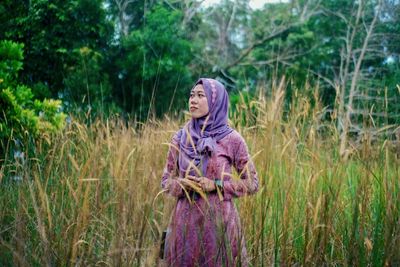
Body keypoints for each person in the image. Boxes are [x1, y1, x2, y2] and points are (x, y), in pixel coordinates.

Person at [161, 78, 259, 267]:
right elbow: (165, 181)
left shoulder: (232, 139)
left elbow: (252, 184)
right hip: (183, 226)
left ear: (216, 101)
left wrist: (216, 185)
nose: (193, 100)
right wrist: (182, 185)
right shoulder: (181, 137)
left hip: (219, 226)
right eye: (191, 95)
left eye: (200, 95)